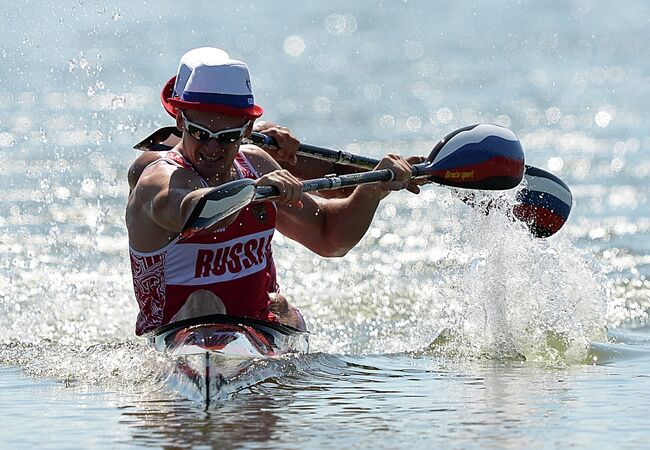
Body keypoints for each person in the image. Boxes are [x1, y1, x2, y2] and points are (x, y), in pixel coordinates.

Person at [126, 47, 422, 336]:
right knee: (203, 304)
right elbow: (196, 211)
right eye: (200, 134)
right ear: (179, 121)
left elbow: (330, 238)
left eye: (227, 137)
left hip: (259, 332)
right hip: (180, 334)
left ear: (246, 129)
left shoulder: (256, 163)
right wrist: (252, 192)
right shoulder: (158, 180)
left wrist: (370, 191)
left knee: (282, 307)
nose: (213, 148)